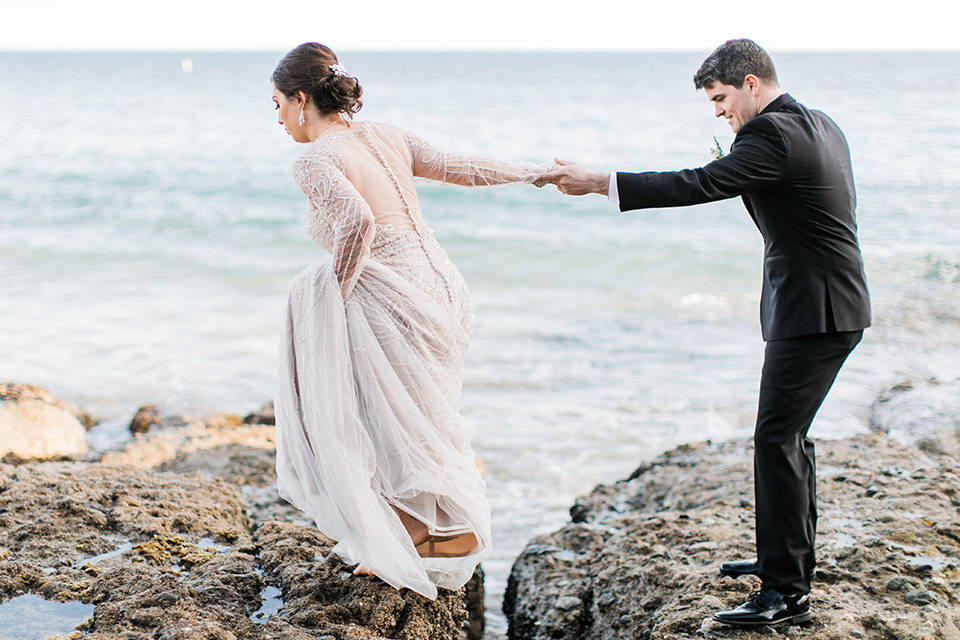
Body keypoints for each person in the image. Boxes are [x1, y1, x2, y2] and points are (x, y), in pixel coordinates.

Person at [535, 38, 870, 626]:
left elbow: (698, 183)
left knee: (776, 440)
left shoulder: (769, 135)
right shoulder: (820, 124)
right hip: (832, 303)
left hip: (815, 311)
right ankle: (784, 560)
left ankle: (786, 592)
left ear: (750, 83)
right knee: (789, 438)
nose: (719, 112)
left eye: (720, 98)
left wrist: (597, 182)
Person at [270, 43, 548, 601]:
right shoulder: (388, 134)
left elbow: (356, 223)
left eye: (276, 104)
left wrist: (335, 293)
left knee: (378, 407)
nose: (276, 118)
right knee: (420, 414)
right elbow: (461, 168)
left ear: (302, 100)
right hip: (442, 284)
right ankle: (420, 528)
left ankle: (425, 529)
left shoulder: (314, 160)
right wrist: (534, 171)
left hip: (391, 289)